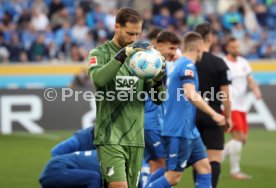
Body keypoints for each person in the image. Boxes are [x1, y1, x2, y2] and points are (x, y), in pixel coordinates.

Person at [87, 8, 165, 188]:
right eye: (129, 33)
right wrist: (122, 56)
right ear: (117, 27)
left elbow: (158, 99)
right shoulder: (100, 53)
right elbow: (99, 80)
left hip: (136, 138)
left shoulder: (142, 58)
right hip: (110, 137)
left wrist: (158, 79)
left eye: (137, 34)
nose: (133, 38)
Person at [146, 32, 225, 188]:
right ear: (200, 46)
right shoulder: (187, 65)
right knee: (173, 177)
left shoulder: (180, 64)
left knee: (204, 167)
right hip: (178, 130)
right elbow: (190, 93)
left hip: (190, 130)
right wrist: (214, 113)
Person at [194, 23, 232, 188]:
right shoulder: (218, 63)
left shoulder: (188, 62)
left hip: (191, 113)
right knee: (214, 157)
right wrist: (228, 116)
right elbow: (225, 94)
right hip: (213, 113)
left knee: (198, 158)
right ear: (210, 38)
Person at [222, 37, 262, 179]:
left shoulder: (243, 62)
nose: (236, 49)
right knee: (238, 137)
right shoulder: (224, 63)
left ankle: (215, 161)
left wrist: (255, 89)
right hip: (230, 104)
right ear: (227, 48)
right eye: (233, 47)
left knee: (243, 139)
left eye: (237, 47)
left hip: (242, 104)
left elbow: (250, 80)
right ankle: (235, 171)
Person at [144, 31, 180, 175]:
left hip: (152, 121)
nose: (175, 52)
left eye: (176, 48)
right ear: (159, 45)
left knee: (155, 164)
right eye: (171, 48)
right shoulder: (152, 63)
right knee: (165, 166)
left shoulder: (157, 62)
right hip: (150, 123)